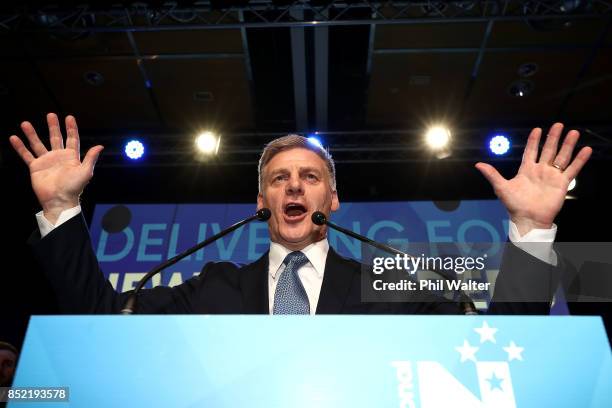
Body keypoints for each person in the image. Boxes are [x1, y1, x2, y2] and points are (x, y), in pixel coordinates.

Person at [9, 113, 592, 315]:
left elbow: (504, 333)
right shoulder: (214, 286)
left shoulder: (389, 284)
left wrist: (533, 230)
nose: (294, 187)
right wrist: (61, 209)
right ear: (261, 202)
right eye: (278, 179)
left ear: (331, 200)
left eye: (310, 177)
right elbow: (101, 320)